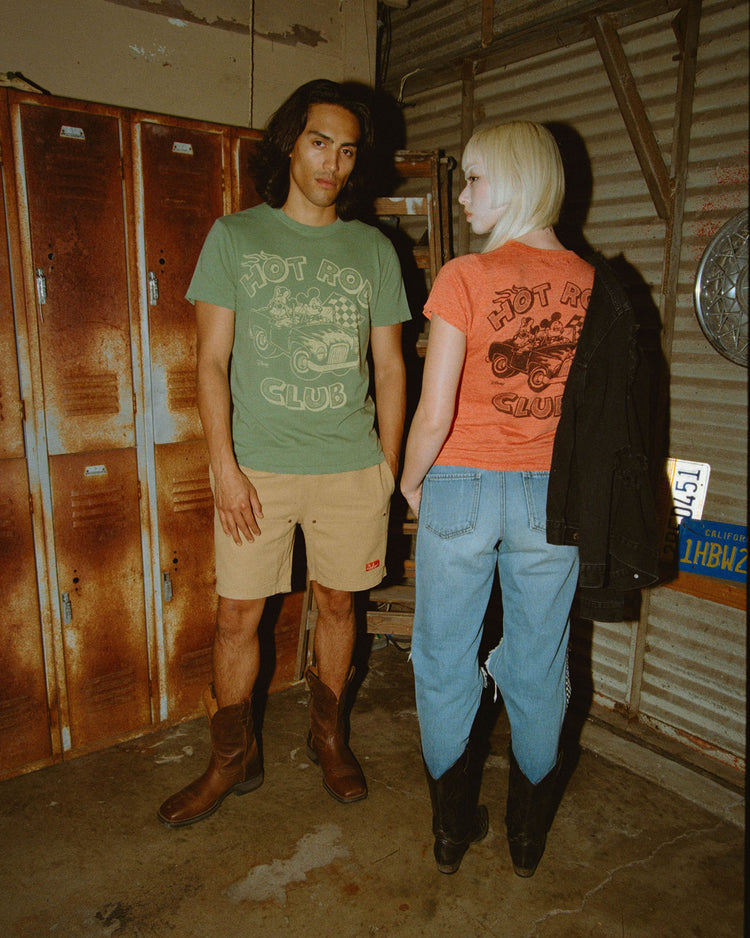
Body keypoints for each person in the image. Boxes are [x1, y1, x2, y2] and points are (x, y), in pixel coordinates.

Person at [400, 121, 658, 876]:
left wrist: (410, 480)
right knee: (540, 664)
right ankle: (526, 838)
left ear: (514, 181)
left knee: (443, 660)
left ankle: (451, 832)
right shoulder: (599, 285)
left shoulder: (464, 277)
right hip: (556, 499)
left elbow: (434, 412)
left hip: (459, 486)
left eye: (475, 178)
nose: (463, 195)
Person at [157, 79, 410, 827]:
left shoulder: (373, 249)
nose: (333, 163)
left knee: (338, 603)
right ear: (289, 147)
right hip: (258, 470)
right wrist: (225, 469)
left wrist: (388, 469)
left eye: (347, 150)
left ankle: (328, 737)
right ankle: (231, 758)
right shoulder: (235, 238)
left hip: (350, 467)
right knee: (238, 616)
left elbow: (392, 367)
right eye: (319, 143)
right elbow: (210, 362)